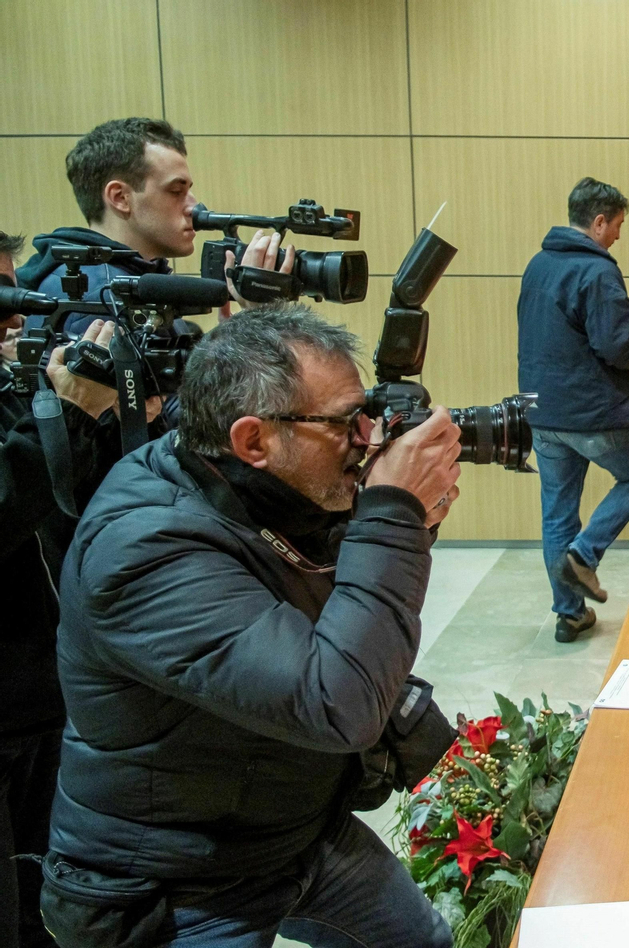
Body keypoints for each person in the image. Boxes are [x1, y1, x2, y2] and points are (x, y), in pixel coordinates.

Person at [43, 304, 462, 947]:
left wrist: (406, 519)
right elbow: (336, 700)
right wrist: (393, 515)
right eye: (348, 421)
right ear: (253, 440)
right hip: (180, 883)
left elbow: (340, 601)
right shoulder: (141, 552)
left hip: (291, 827)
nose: (369, 437)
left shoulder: (259, 485)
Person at [0, 229, 126, 948]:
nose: (18, 313)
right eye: (4, 295)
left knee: (49, 905)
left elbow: (69, 499)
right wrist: (65, 412)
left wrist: (87, 413)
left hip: (44, 699)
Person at [517, 177, 629, 642]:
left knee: (557, 513)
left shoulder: (538, 265)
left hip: (543, 414)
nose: (618, 234)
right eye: (617, 225)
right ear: (598, 221)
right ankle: (585, 555)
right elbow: (616, 345)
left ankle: (570, 614)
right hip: (594, 413)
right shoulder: (597, 272)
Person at [15, 117, 289, 333]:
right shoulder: (95, 297)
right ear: (121, 198)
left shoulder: (130, 281)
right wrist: (258, 322)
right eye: (175, 191)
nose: (194, 207)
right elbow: (167, 405)